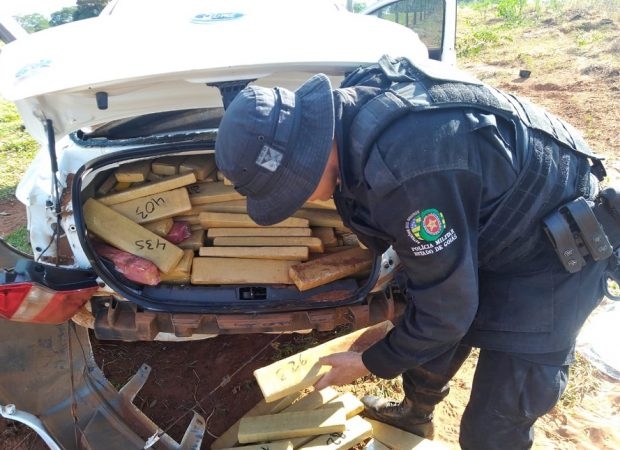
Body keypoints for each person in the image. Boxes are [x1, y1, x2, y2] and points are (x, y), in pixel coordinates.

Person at [214, 55, 619, 449]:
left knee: (493, 424)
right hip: (486, 221)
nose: (297, 201)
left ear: (309, 159)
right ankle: (414, 413)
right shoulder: (348, 116)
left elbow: (447, 313)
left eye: (290, 191)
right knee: (426, 320)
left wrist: (369, 363)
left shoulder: (406, 174)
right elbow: (435, 290)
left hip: (550, 256)